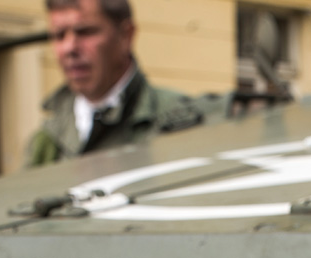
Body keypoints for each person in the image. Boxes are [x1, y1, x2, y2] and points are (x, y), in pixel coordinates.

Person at [26, 0, 203, 166]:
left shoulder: (181, 120)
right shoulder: (44, 144)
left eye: (85, 32)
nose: (69, 48)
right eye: (59, 35)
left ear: (126, 35)